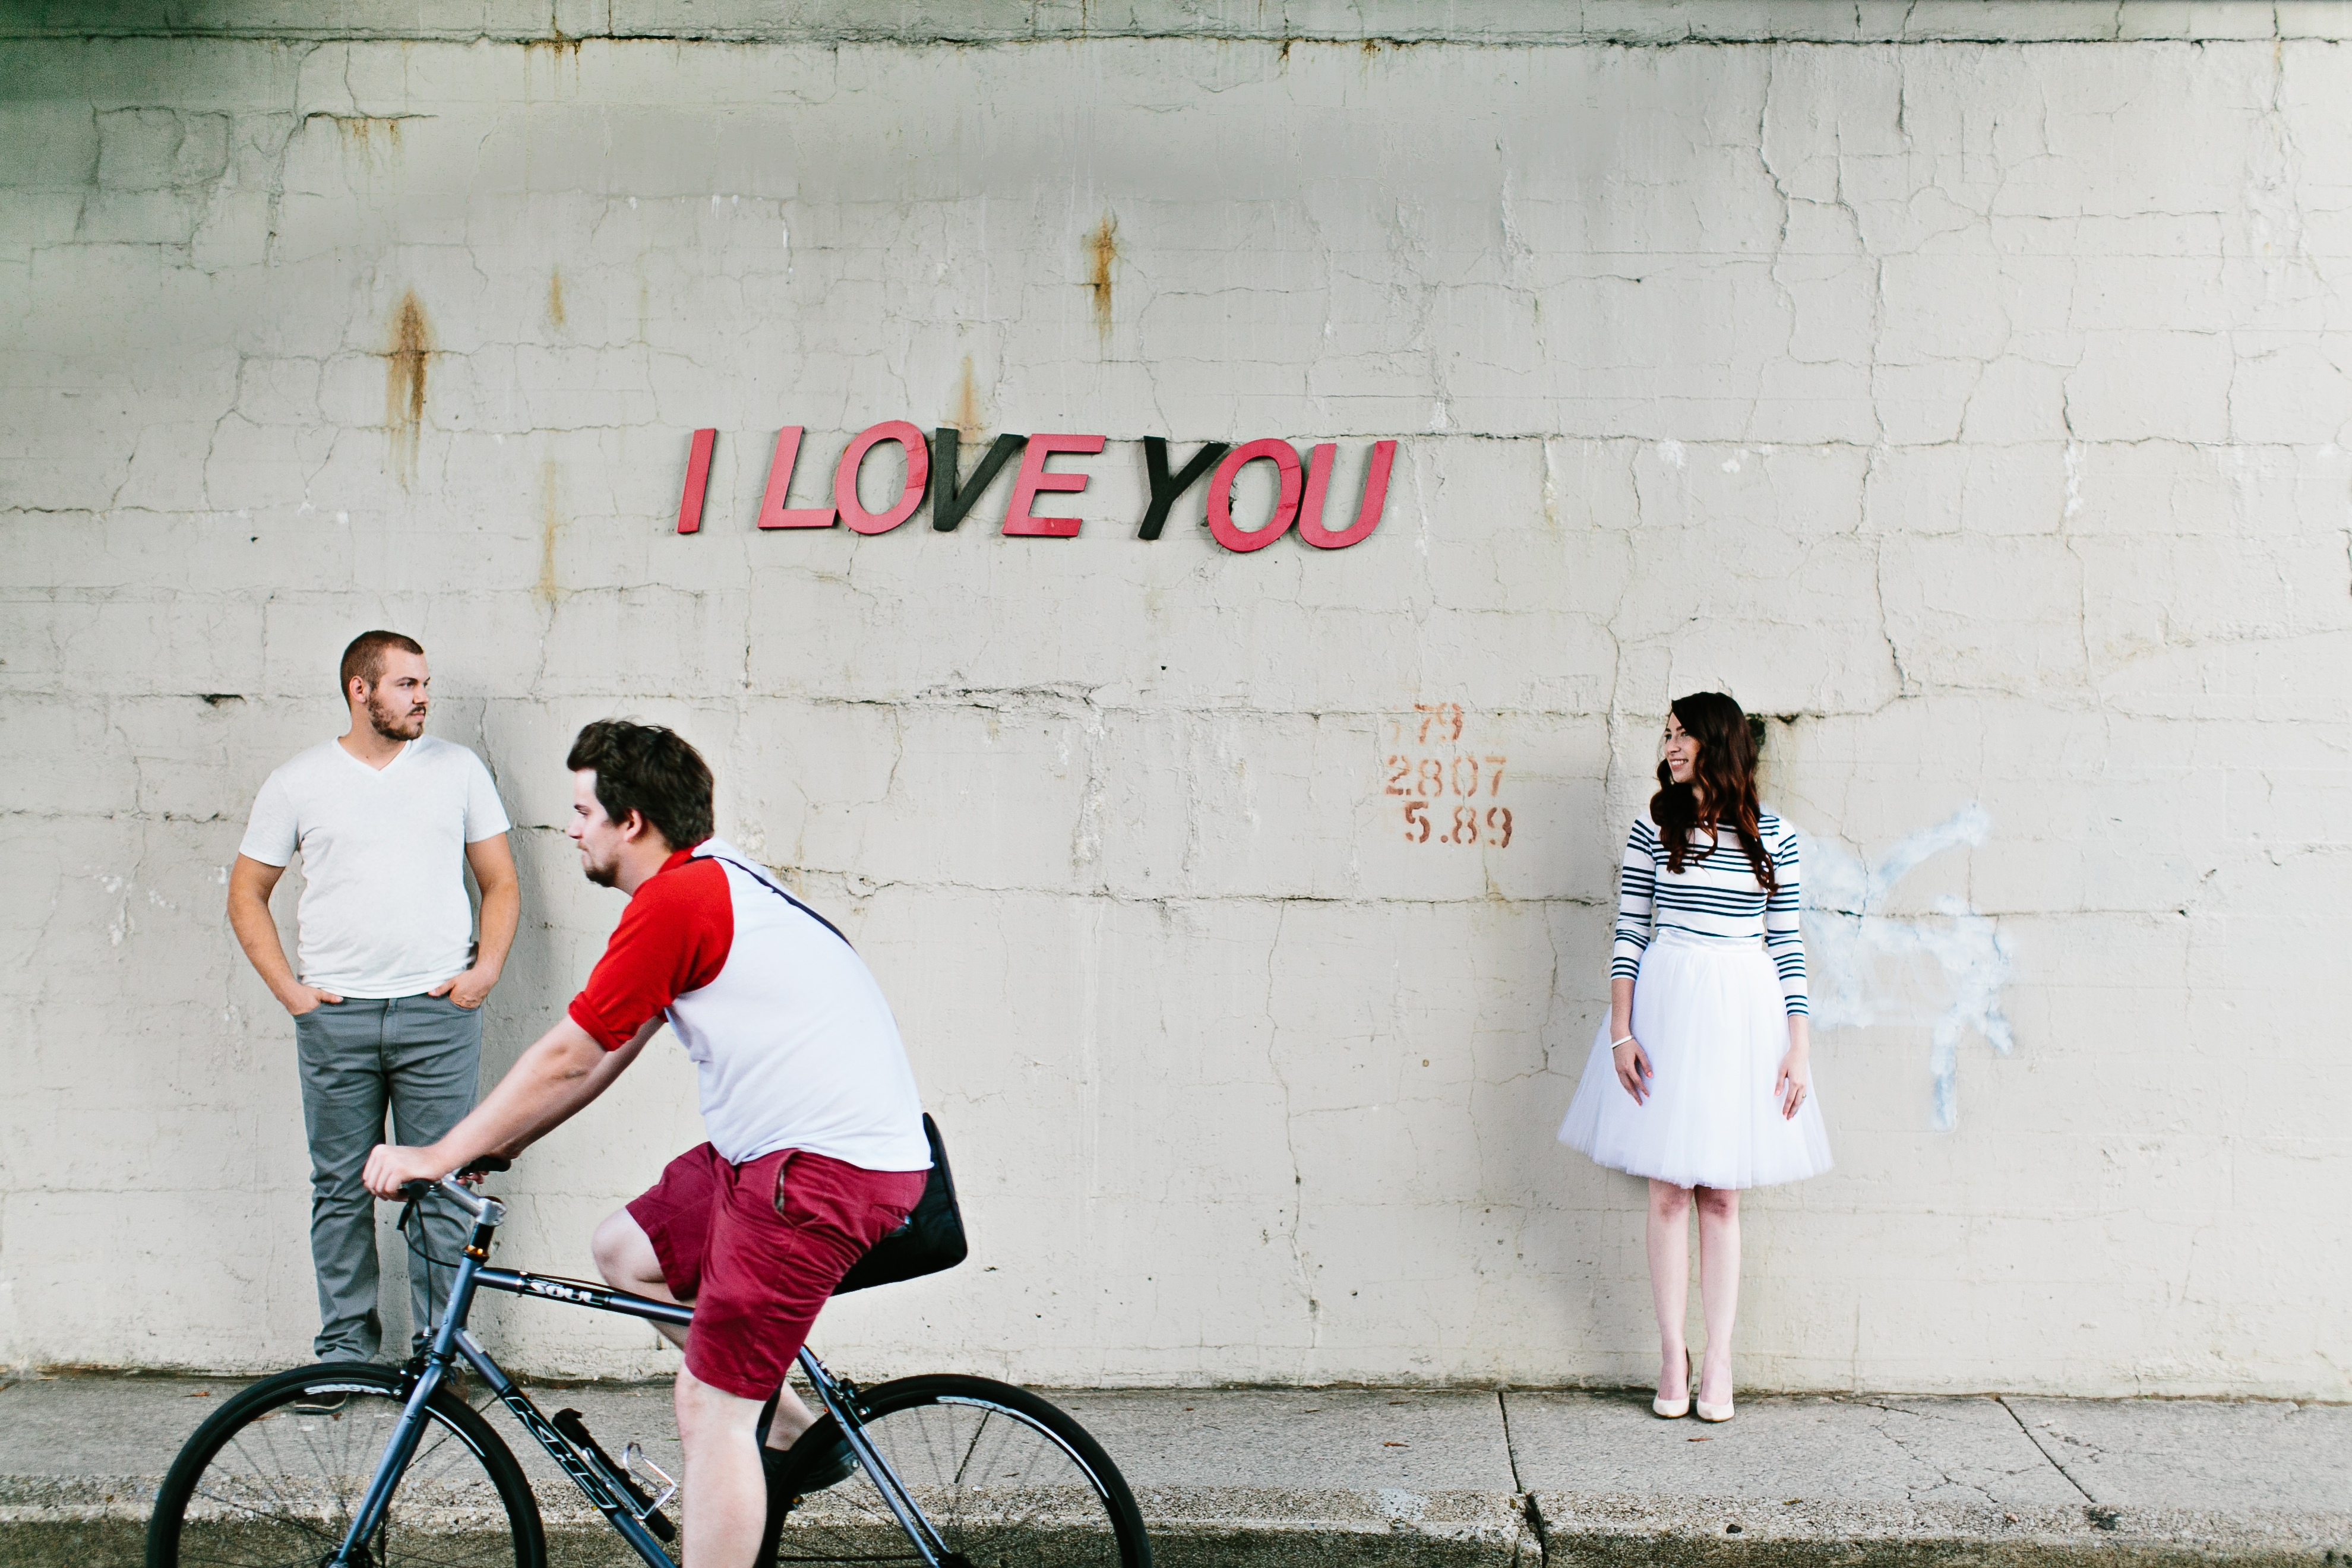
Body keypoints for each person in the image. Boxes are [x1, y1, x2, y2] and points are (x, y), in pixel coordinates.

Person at [361, 719, 931, 1568]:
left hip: (817, 1173)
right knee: (627, 1252)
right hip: (779, 1157)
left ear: (633, 822)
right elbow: (604, 1056)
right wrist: (497, 1143)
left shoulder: (681, 898)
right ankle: (799, 1440)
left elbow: (568, 1054)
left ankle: (745, 1435)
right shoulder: (707, 883)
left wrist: (435, 1154)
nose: (571, 827)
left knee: (710, 1410)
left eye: (585, 810)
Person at [228, 630, 519, 1384]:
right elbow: (246, 893)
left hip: (436, 1016)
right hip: (338, 1019)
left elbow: (500, 882)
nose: (423, 697)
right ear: (362, 690)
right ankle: (345, 1356)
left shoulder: (457, 770)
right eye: (406, 685)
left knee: (442, 1188)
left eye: (426, 683)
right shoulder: (298, 782)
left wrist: (482, 973)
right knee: (339, 1188)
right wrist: (295, 996)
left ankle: (436, 1357)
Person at [1556, 691, 1832, 1424]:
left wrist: (1798, 1048)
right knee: (1669, 1190)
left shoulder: (1778, 837)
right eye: (1667, 736)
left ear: (1718, 743)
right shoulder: (1656, 830)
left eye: (1682, 736)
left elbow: (1788, 947)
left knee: (1723, 1194)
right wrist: (1622, 1030)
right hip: (1667, 1012)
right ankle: (1671, 1351)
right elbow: (1630, 933)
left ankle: (1720, 1358)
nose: (1670, 747)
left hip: (1746, 1018)